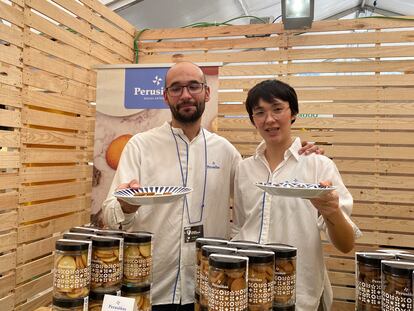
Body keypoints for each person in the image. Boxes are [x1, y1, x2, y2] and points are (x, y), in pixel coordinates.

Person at [102, 63, 321, 310]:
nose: (186, 95)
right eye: (176, 88)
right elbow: (110, 215)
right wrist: (127, 206)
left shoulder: (226, 151)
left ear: (207, 93)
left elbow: (256, 202)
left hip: (212, 290)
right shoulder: (140, 146)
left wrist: (297, 152)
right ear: (165, 96)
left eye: (194, 86)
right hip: (152, 289)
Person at [231, 79, 362, 311]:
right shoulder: (244, 169)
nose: (269, 120)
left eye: (278, 109)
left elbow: (346, 244)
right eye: (259, 112)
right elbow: (242, 227)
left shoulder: (318, 165)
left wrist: (331, 211)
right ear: (253, 120)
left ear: (294, 113)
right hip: (250, 293)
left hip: (302, 294)